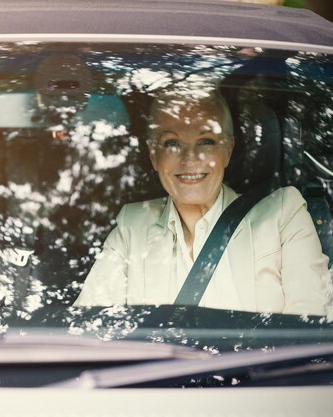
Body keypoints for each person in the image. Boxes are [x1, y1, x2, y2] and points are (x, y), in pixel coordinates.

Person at [74, 89, 329, 316]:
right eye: (172, 143)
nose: (190, 158)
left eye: (206, 141)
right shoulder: (132, 228)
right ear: (154, 156)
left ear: (227, 151)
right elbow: (88, 327)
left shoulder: (282, 214)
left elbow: (310, 325)